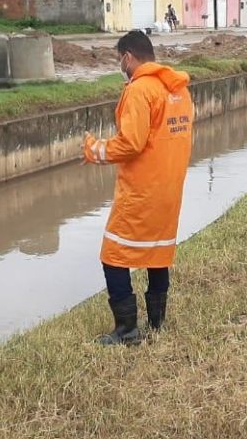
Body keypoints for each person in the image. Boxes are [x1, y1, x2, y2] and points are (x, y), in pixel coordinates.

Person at [82, 30, 193, 345]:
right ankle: (157, 324)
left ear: (127, 56)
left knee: (113, 255)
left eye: (119, 59)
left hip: (142, 191)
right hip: (170, 189)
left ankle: (127, 329)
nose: (120, 65)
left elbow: (131, 143)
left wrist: (94, 150)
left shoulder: (140, 90)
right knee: (158, 254)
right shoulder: (179, 90)